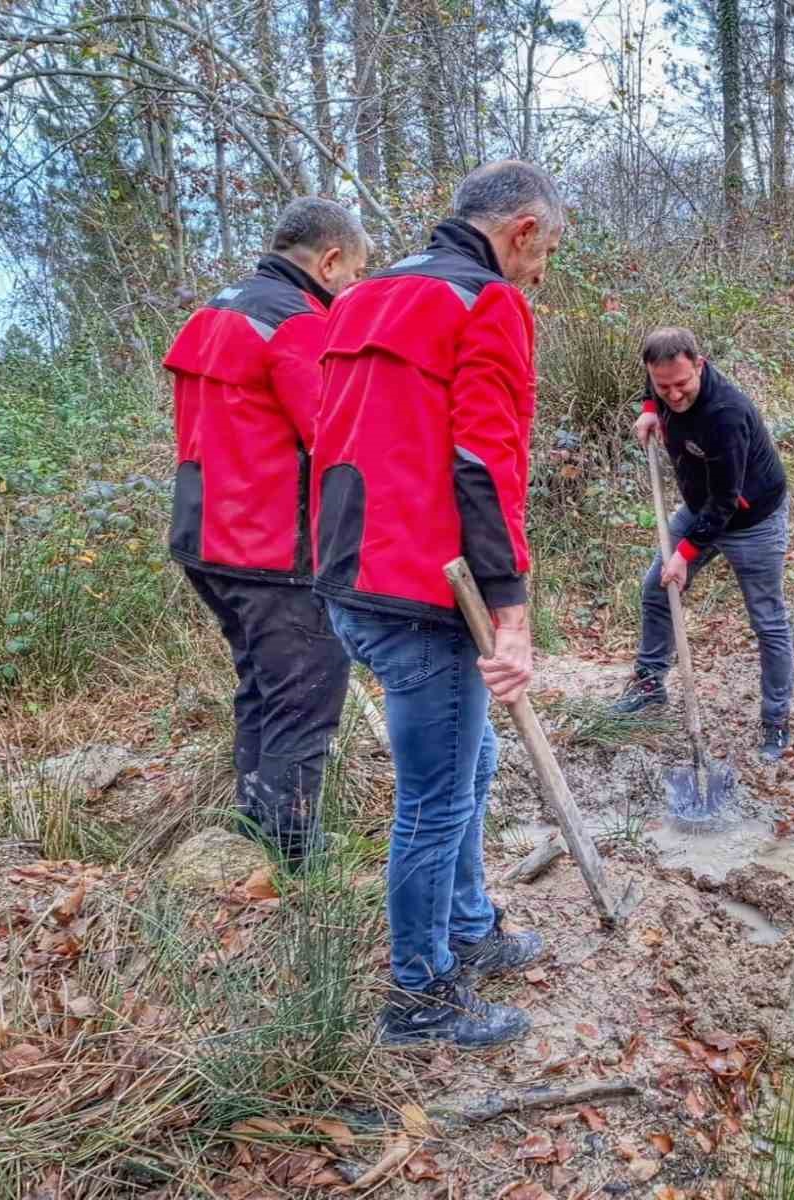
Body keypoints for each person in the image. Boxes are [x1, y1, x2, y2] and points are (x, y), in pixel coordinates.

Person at [311, 161, 562, 1049]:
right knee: (435, 800)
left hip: (348, 574)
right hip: (422, 587)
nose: (539, 272)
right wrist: (513, 611)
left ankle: (467, 926)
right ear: (522, 231)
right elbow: (487, 463)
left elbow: (334, 436)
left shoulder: (362, 297)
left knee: (471, 767)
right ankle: (420, 996)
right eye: (545, 252)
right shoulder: (485, 302)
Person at [164, 198, 369, 865]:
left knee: (263, 683)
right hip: (269, 545)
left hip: (206, 539)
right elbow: (332, 436)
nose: (353, 289)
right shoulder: (294, 322)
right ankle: (293, 858)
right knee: (307, 691)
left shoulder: (219, 309)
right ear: (330, 259)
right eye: (355, 273)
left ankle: (257, 826)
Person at [613, 328, 794, 761]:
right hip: (702, 506)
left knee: (767, 620)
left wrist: (685, 554)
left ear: (700, 364)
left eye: (682, 384)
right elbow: (655, 386)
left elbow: (725, 502)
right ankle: (649, 684)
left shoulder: (725, 414)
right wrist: (648, 408)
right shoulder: (662, 378)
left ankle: (776, 721)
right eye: (663, 387)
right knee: (656, 587)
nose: (673, 395)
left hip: (752, 518)